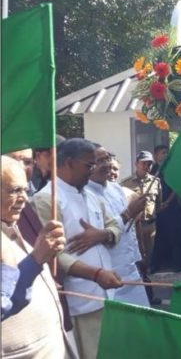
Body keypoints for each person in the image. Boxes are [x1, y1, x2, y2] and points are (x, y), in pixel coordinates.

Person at [32, 138, 123, 359]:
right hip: (80, 299)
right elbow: (52, 254)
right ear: (70, 163)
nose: (93, 171)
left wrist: (103, 235)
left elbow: (115, 224)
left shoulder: (90, 194)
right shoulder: (47, 199)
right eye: (88, 165)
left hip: (107, 293)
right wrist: (96, 274)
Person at [1, 156, 72, 357]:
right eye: (14, 190)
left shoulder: (11, 223)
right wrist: (36, 260)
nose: (23, 197)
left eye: (25, 189)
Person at [86, 146, 149, 306]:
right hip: (107, 274)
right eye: (100, 161)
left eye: (107, 158)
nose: (107, 164)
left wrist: (137, 258)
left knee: (142, 321)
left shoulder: (116, 189)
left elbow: (130, 231)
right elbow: (101, 234)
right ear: (88, 165)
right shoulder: (85, 194)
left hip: (130, 269)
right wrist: (130, 212)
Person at [121, 150, 162, 304]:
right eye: (144, 163)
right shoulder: (125, 184)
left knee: (148, 260)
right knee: (137, 260)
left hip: (150, 227)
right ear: (136, 164)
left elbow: (158, 204)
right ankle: (142, 294)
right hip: (132, 228)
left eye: (150, 163)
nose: (147, 166)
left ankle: (148, 294)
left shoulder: (156, 182)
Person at [150, 145, 181, 273]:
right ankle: (155, 265)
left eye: (166, 153)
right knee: (157, 238)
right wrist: (157, 205)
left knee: (175, 237)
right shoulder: (152, 170)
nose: (165, 155)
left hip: (171, 208)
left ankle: (178, 264)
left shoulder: (171, 169)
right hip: (156, 210)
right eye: (162, 153)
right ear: (155, 155)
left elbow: (175, 187)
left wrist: (167, 202)